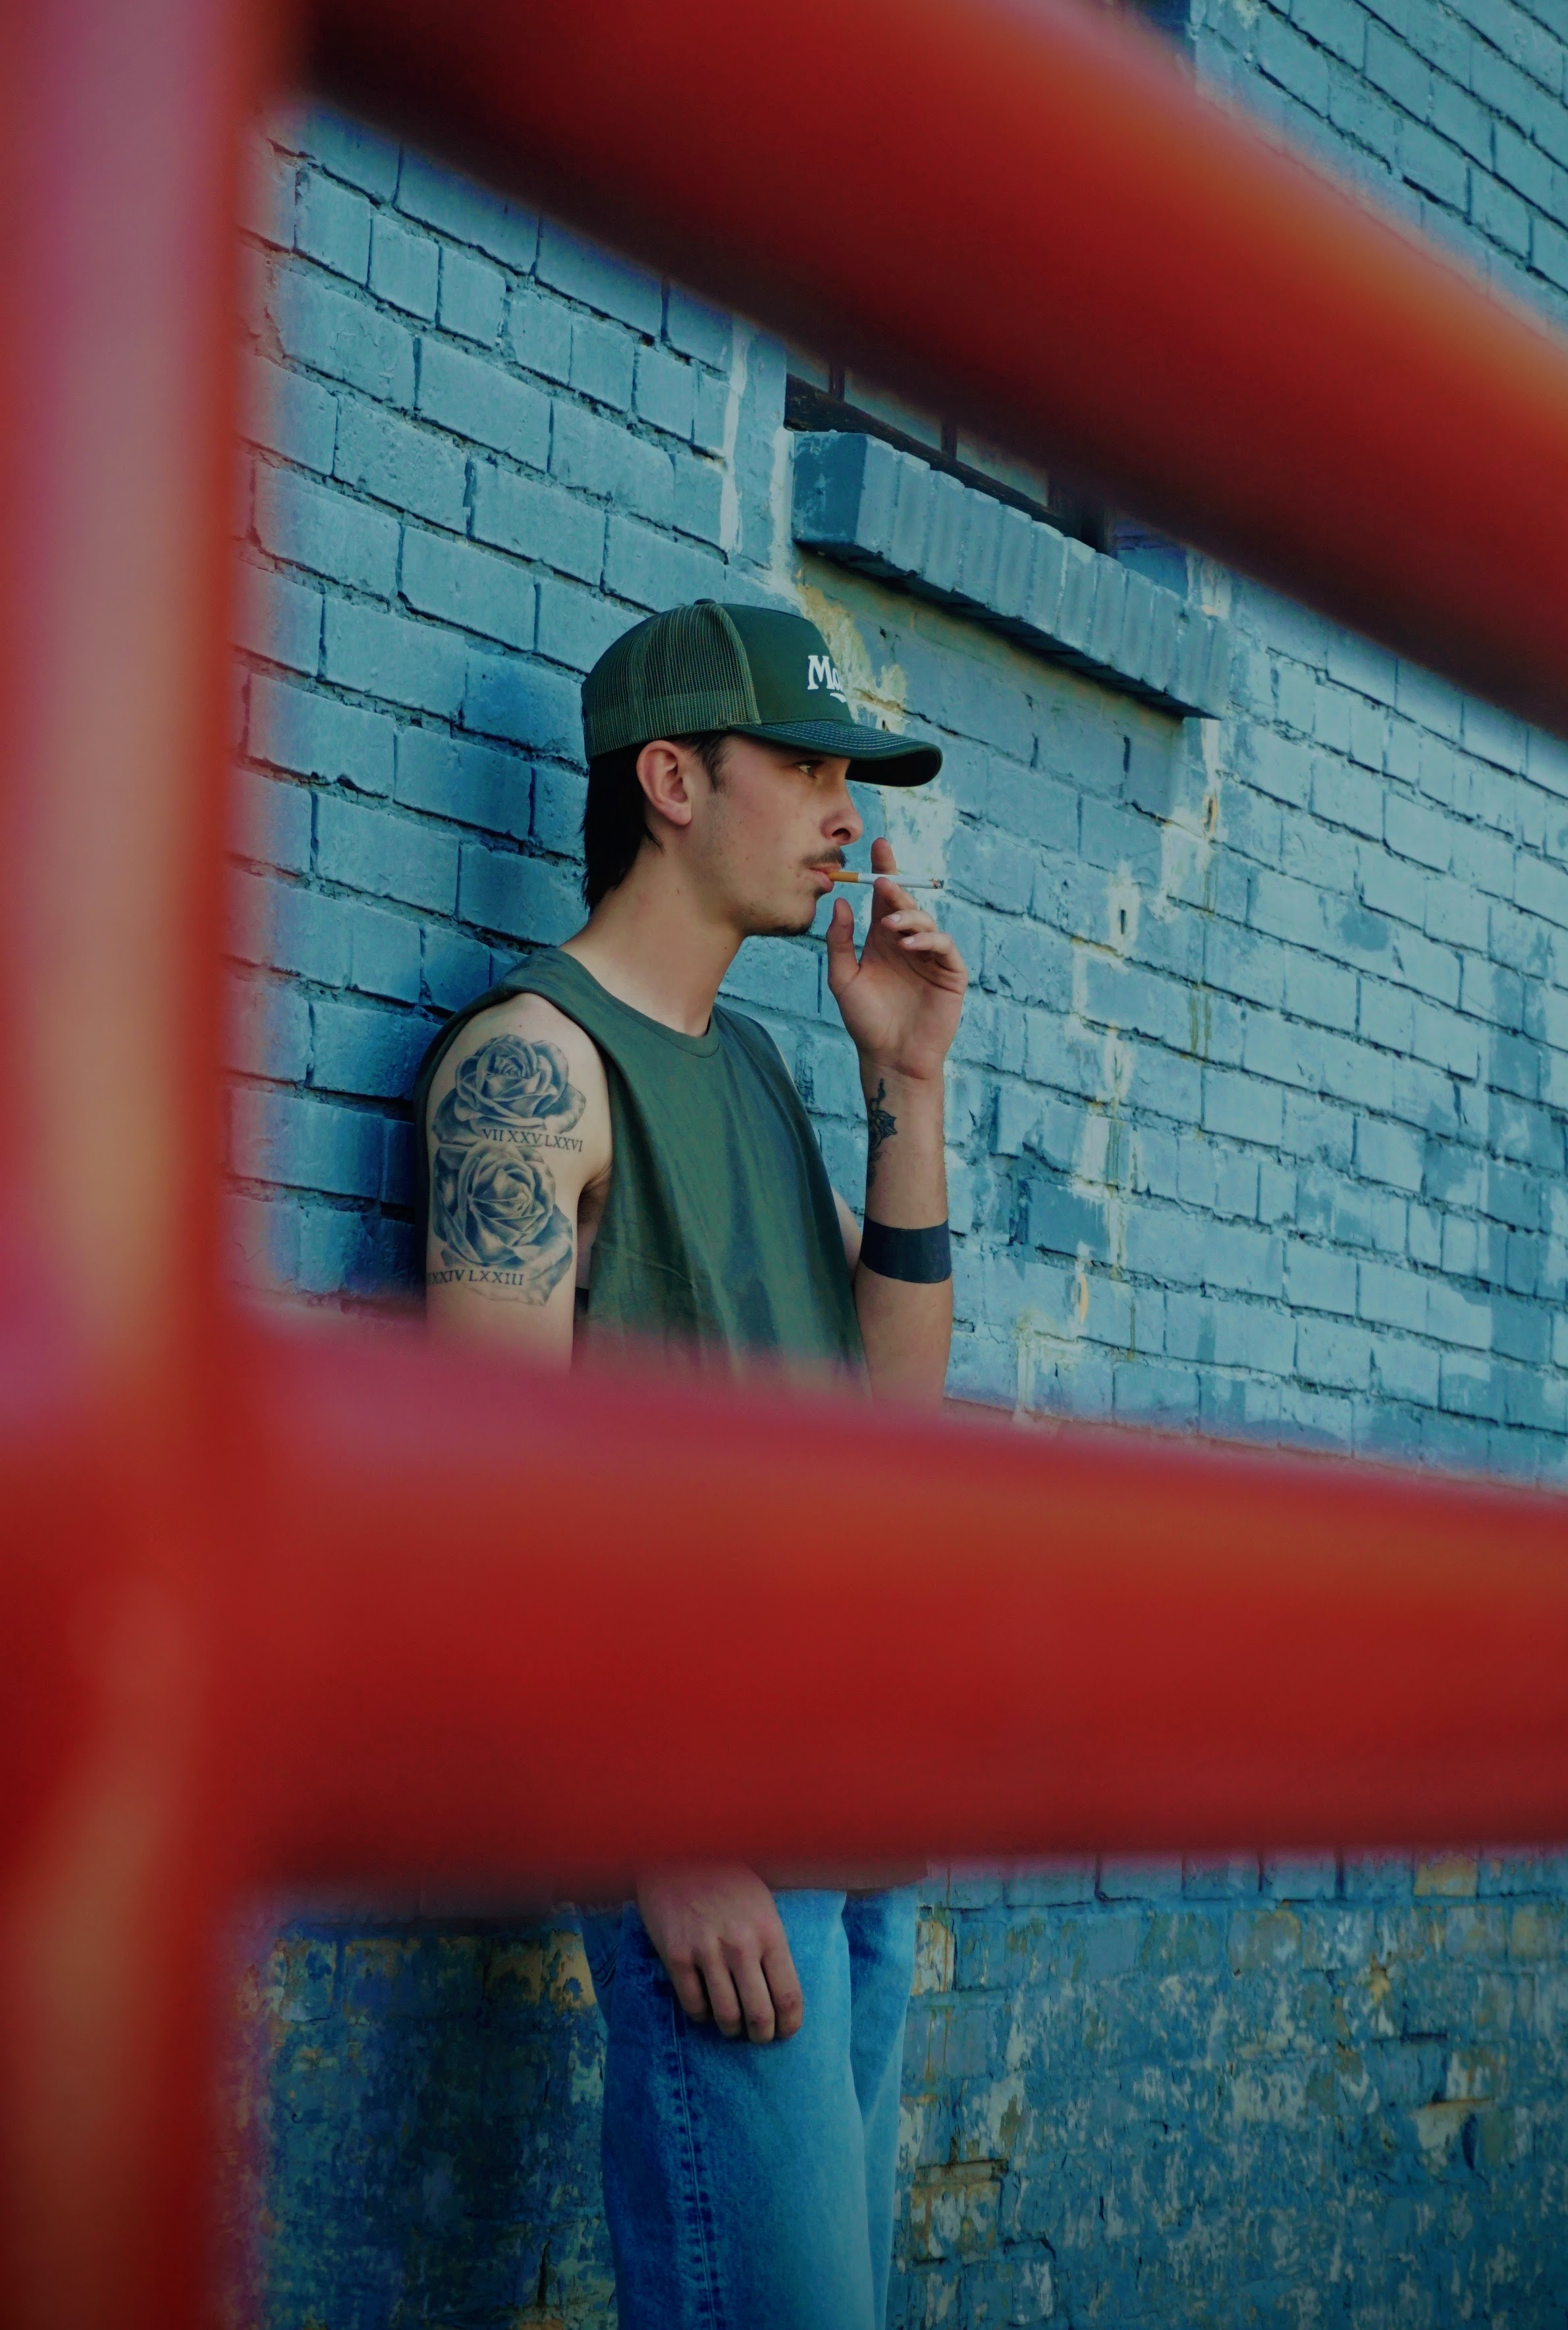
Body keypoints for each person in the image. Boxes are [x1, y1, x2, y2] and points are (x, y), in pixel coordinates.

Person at [412, 597, 966, 2330]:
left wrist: (910, 1093)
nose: (843, 812)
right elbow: (480, 1508)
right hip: (705, 1838)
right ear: (670, 777)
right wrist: (656, 1837)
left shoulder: (758, 1071)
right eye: (802, 765)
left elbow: (886, 1415)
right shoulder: (532, 1068)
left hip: (843, 1811)